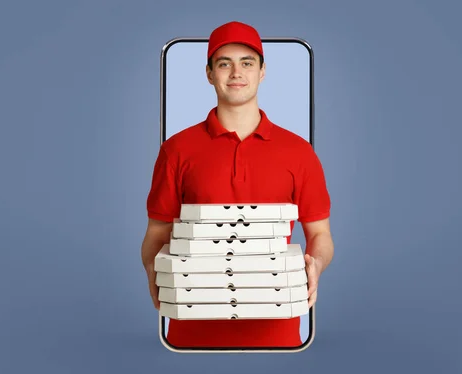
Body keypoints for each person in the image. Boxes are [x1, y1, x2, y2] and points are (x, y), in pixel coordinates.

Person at [141, 21, 334, 348]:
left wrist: (315, 263)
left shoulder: (299, 152)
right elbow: (157, 232)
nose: (236, 72)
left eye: (247, 63)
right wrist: (156, 273)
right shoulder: (176, 150)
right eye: (224, 63)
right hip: (191, 333)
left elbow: (320, 234)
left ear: (262, 72)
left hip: (278, 331)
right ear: (208, 73)